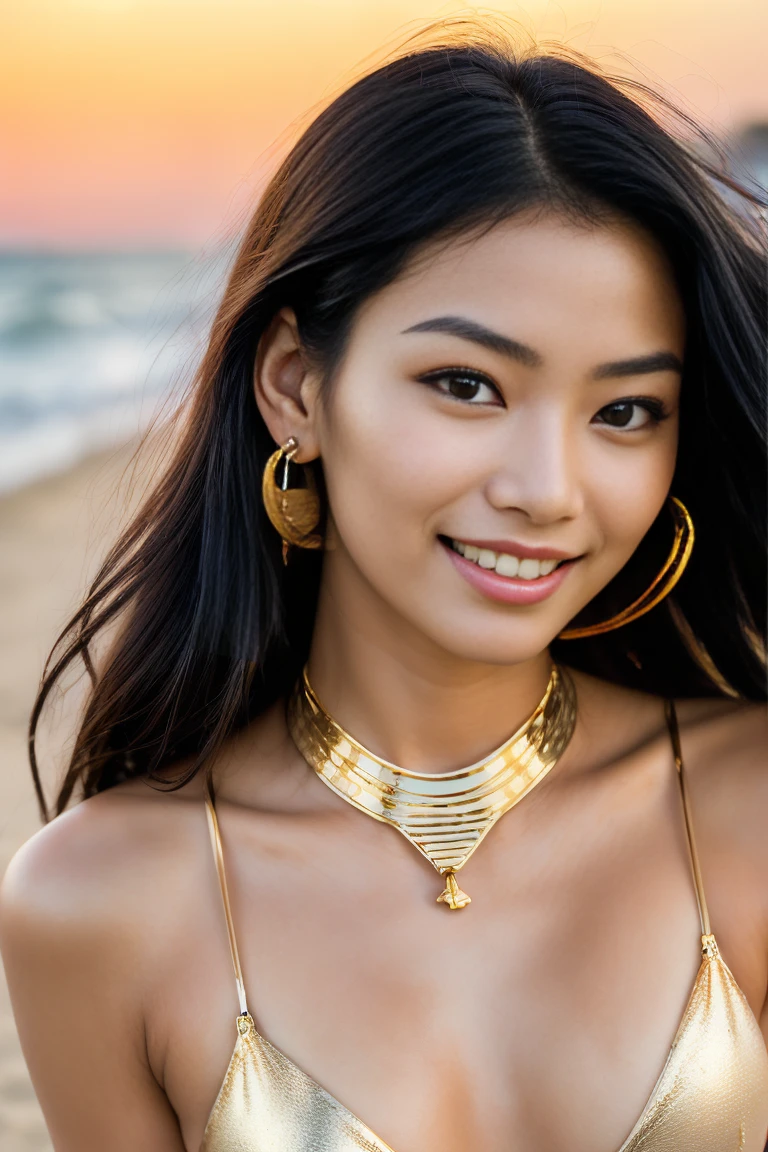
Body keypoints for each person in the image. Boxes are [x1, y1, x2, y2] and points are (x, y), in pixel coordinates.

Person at [1, 23, 767, 1152]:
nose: (548, 490)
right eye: (467, 384)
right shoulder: (101, 902)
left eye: (624, 411)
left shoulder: (746, 808)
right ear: (296, 386)